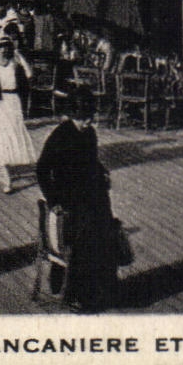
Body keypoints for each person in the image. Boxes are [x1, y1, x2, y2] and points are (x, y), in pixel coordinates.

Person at [35, 87, 119, 312]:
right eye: (83, 118)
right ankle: (76, 293)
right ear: (72, 114)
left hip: (93, 195)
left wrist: (102, 171)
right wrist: (54, 200)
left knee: (108, 231)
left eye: (90, 118)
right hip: (70, 199)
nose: (87, 122)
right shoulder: (60, 136)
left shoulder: (89, 133)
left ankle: (103, 287)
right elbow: (42, 169)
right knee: (85, 239)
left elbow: (92, 160)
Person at [0, 36, 37, 194]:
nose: (3, 50)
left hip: (13, 102)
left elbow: (29, 74)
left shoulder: (14, 64)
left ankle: (6, 167)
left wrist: (21, 57)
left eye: (6, 47)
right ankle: (5, 177)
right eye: (0, 47)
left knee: (12, 135)